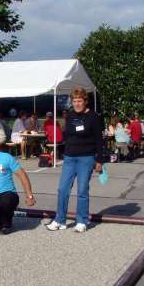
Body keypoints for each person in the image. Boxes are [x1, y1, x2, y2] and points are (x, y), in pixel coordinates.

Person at [47, 87, 103, 233]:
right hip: (70, 157)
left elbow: (99, 140)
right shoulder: (70, 115)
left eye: (79, 101)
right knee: (63, 189)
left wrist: (99, 160)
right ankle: (60, 220)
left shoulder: (94, 117)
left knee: (82, 189)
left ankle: (82, 220)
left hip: (86, 158)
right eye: (74, 101)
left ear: (85, 101)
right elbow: (67, 135)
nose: (77, 104)